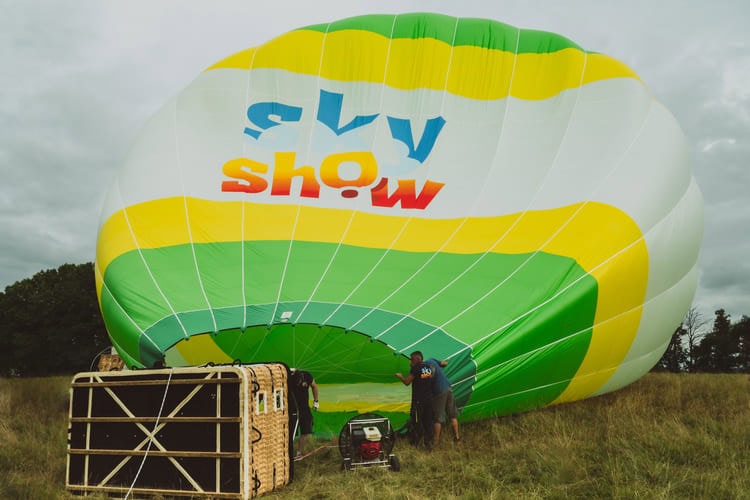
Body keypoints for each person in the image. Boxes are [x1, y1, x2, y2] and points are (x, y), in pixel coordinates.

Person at [395, 351, 435, 449]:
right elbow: (430, 378)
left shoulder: (415, 368)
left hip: (418, 400)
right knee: (428, 421)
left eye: (412, 359)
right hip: (429, 399)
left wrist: (400, 376)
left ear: (418, 359)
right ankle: (428, 443)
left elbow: (407, 382)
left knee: (416, 419)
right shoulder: (428, 367)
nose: (410, 362)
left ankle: (416, 440)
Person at [425, 357, 460, 444]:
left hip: (439, 391)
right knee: (452, 415)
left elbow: (427, 378)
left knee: (437, 418)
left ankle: (435, 442)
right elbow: (444, 364)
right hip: (448, 387)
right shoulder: (432, 360)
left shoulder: (423, 367)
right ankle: (457, 438)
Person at [290, 368, 319, 455]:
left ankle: (300, 452)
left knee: (305, 430)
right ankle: (288, 452)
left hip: (304, 408)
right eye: (296, 383)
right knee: (291, 431)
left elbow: (314, 386)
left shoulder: (306, 375)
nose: (298, 384)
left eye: (299, 382)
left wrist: (316, 401)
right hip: (292, 408)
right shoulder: (289, 379)